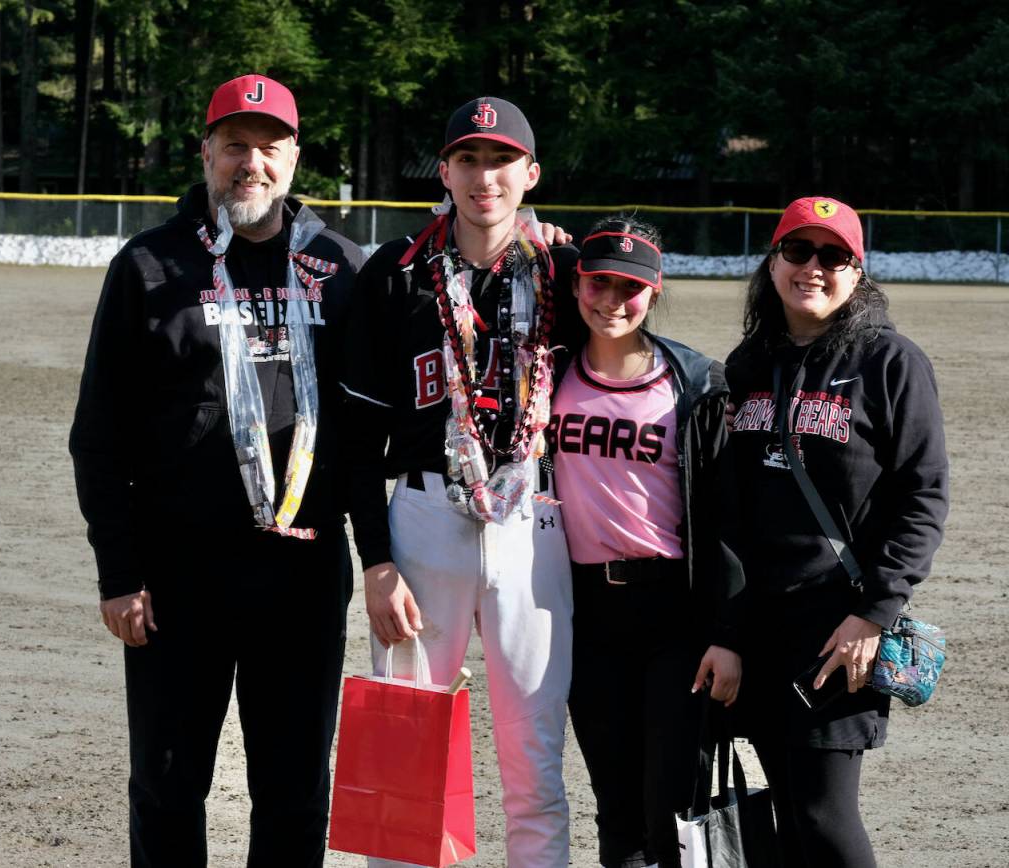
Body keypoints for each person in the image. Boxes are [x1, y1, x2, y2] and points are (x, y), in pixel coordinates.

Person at [69, 74, 364, 867]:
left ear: (295, 156)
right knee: (167, 786)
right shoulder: (147, 266)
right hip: (177, 576)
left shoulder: (342, 268)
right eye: (235, 145)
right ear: (206, 151)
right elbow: (97, 435)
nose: (251, 163)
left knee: (296, 790)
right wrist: (119, 571)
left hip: (302, 575)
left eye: (269, 147)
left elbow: (372, 431)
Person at [340, 97, 576, 867]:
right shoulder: (395, 272)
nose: (485, 177)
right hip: (421, 519)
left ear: (530, 174)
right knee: (403, 759)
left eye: (502, 159)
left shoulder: (566, 274)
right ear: (443, 171)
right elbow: (353, 435)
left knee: (533, 765)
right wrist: (374, 561)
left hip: (531, 522)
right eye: (468, 159)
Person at [725, 196, 949, 867]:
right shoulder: (746, 364)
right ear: (773, 264)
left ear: (858, 273)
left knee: (824, 813)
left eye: (833, 256)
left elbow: (923, 495)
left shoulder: (890, 363)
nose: (813, 268)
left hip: (838, 628)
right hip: (760, 626)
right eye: (798, 251)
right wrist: (727, 630)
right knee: (784, 814)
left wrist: (873, 613)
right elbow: (729, 507)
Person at [548, 215, 743, 868]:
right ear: (576, 284)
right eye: (598, 283)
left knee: (675, 806)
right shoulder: (547, 376)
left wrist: (726, 632)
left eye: (628, 287)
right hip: (584, 614)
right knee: (617, 806)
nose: (610, 301)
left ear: (654, 290)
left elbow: (727, 520)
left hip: (673, 617)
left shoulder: (694, 384)